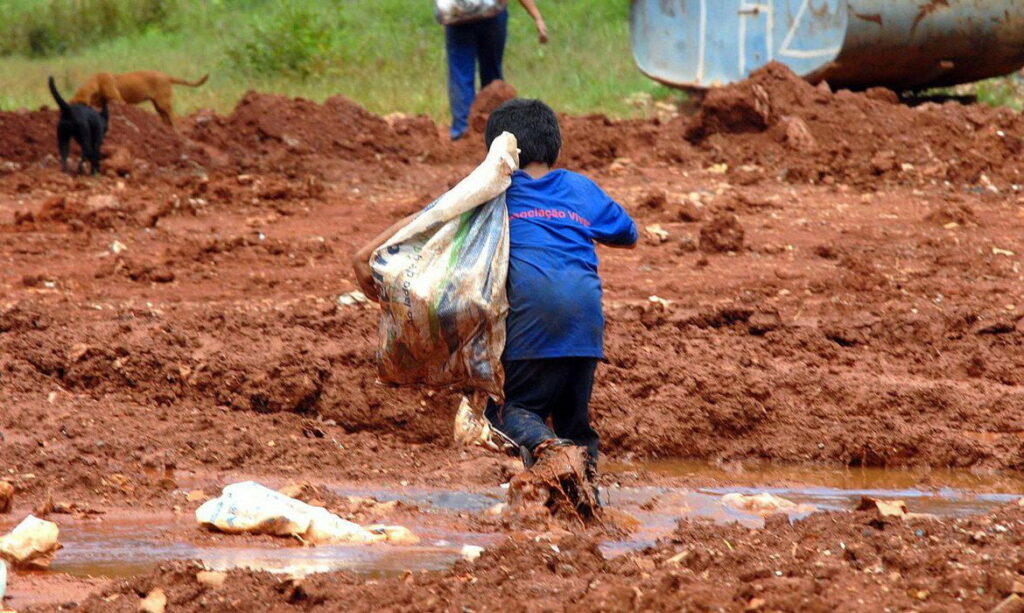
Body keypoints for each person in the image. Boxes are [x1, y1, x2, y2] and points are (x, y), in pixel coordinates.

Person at [352, 99, 637, 495]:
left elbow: (432, 217)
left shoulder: (494, 191)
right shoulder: (579, 188)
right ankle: (583, 501)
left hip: (529, 325)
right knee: (576, 424)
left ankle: (550, 451)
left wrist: (366, 253)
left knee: (509, 412)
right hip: (585, 330)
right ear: (554, 147)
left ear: (497, 153)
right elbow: (628, 234)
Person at [442, 0, 548, 141]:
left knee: (461, 76)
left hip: (459, 14)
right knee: (492, 75)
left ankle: (463, 133)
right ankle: (496, 132)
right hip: (492, 15)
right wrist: (537, 17)